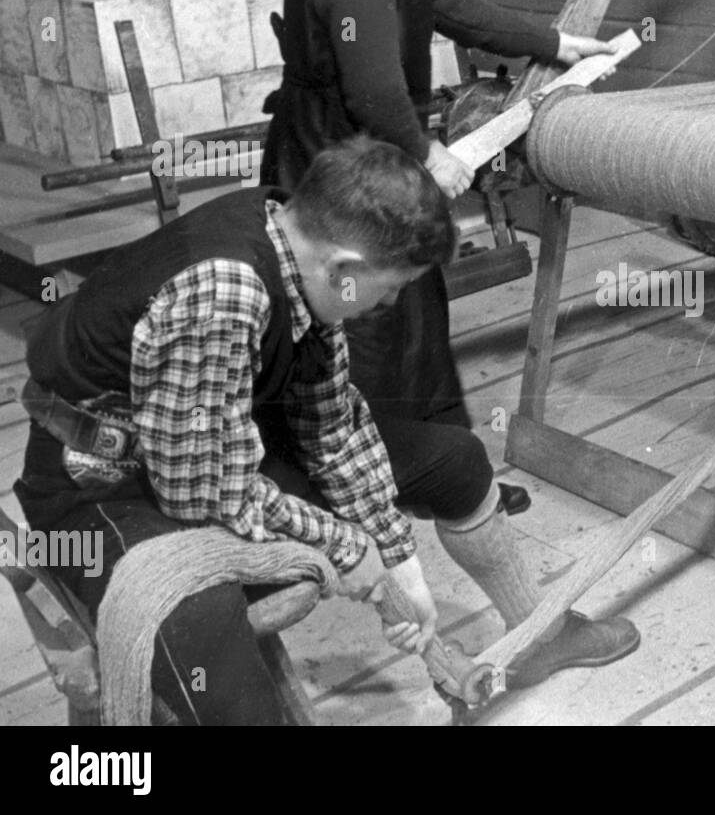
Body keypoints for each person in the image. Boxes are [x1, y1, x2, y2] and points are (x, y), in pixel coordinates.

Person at [13, 137, 639, 725]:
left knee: (453, 460)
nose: (390, 305)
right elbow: (203, 495)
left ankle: (538, 634)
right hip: (101, 486)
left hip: (201, 449)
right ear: (346, 266)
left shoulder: (296, 245)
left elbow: (332, 427)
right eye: (390, 288)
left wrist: (402, 570)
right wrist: (345, 546)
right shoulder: (227, 291)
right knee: (211, 650)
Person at [263, 0, 613, 432]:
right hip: (330, 159)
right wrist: (429, 156)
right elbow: (373, 89)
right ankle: (375, 468)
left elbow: (460, 10)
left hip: (367, 152)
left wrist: (558, 44)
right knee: (361, 317)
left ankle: (438, 463)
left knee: (412, 302)